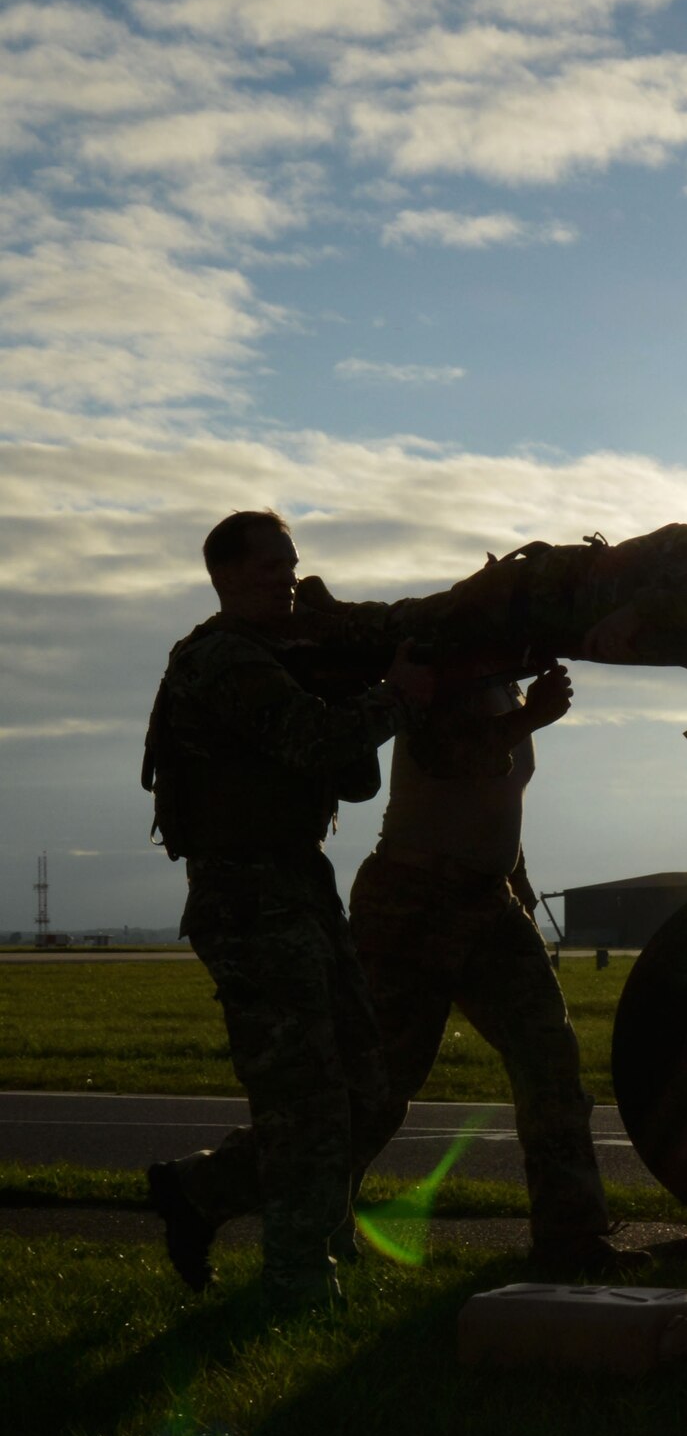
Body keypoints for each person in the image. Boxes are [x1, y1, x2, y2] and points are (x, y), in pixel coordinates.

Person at [143, 509, 431, 1314]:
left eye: (291, 564)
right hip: (245, 897)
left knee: (368, 1090)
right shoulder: (224, 660)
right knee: (302, 1098)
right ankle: (299, 1281)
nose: (286, 579)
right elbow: (312, 741)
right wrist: (394, 699)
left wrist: (367, 685)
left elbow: (344, 769)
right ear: (225, 575)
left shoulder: (284, 655)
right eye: (269, 567)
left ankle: (201, 1189)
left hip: (300, 882)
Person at [345, 651, 646, 1275]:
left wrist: (521, 899)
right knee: (379, 1085)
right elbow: (448, 756)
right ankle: (222, 1193)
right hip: (414, 900)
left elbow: (495, 806)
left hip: (488, 899)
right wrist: (530, 718)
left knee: (548, 1060)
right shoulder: (442, 675)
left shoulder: (503, 688)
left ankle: (572, 1239)